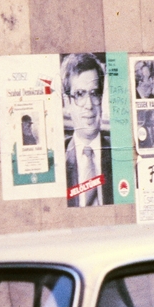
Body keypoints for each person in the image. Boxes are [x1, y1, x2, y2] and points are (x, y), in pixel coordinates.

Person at [62, 53, 112, 206]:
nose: (89, 105)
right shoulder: (59, 157)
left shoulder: (119, 154)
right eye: (80, 94)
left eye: (94, 94)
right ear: (68, 103)